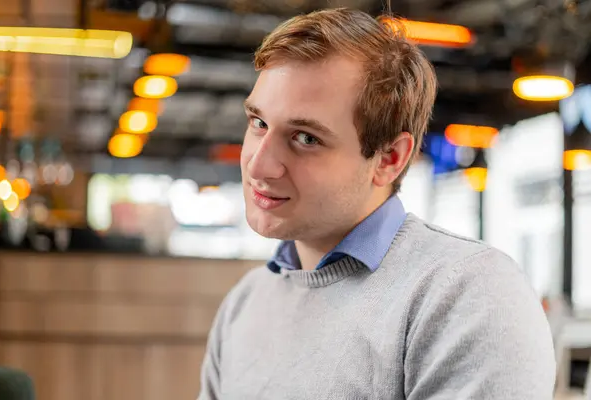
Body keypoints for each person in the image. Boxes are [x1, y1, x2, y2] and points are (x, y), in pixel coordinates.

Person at [198, 7, 556, 400]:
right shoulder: (246, 302)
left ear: (389, 159)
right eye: (259, 123)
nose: (258, 164)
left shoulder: (466, 295)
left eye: (306, 138)